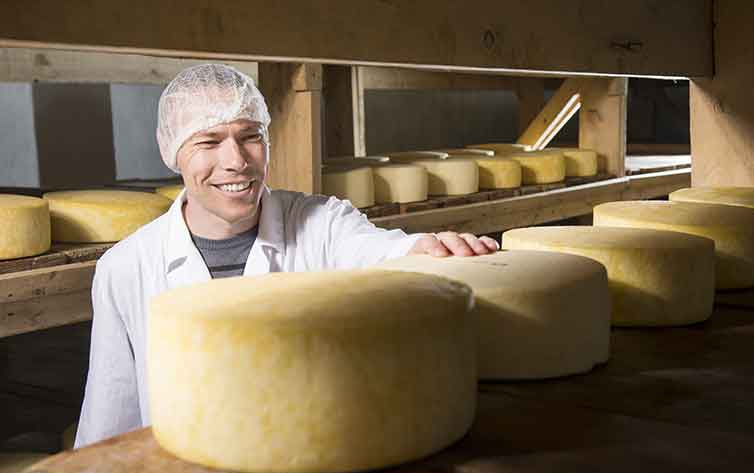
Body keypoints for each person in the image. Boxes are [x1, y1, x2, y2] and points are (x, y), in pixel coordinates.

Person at [74, 64, 499, 448]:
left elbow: (378, 250)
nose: (236, 161)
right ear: (172, 152)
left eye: (250, 137)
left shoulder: (322, 225)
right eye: (209, 141)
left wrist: (420, 249)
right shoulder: (126, 268)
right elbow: (110, 419)